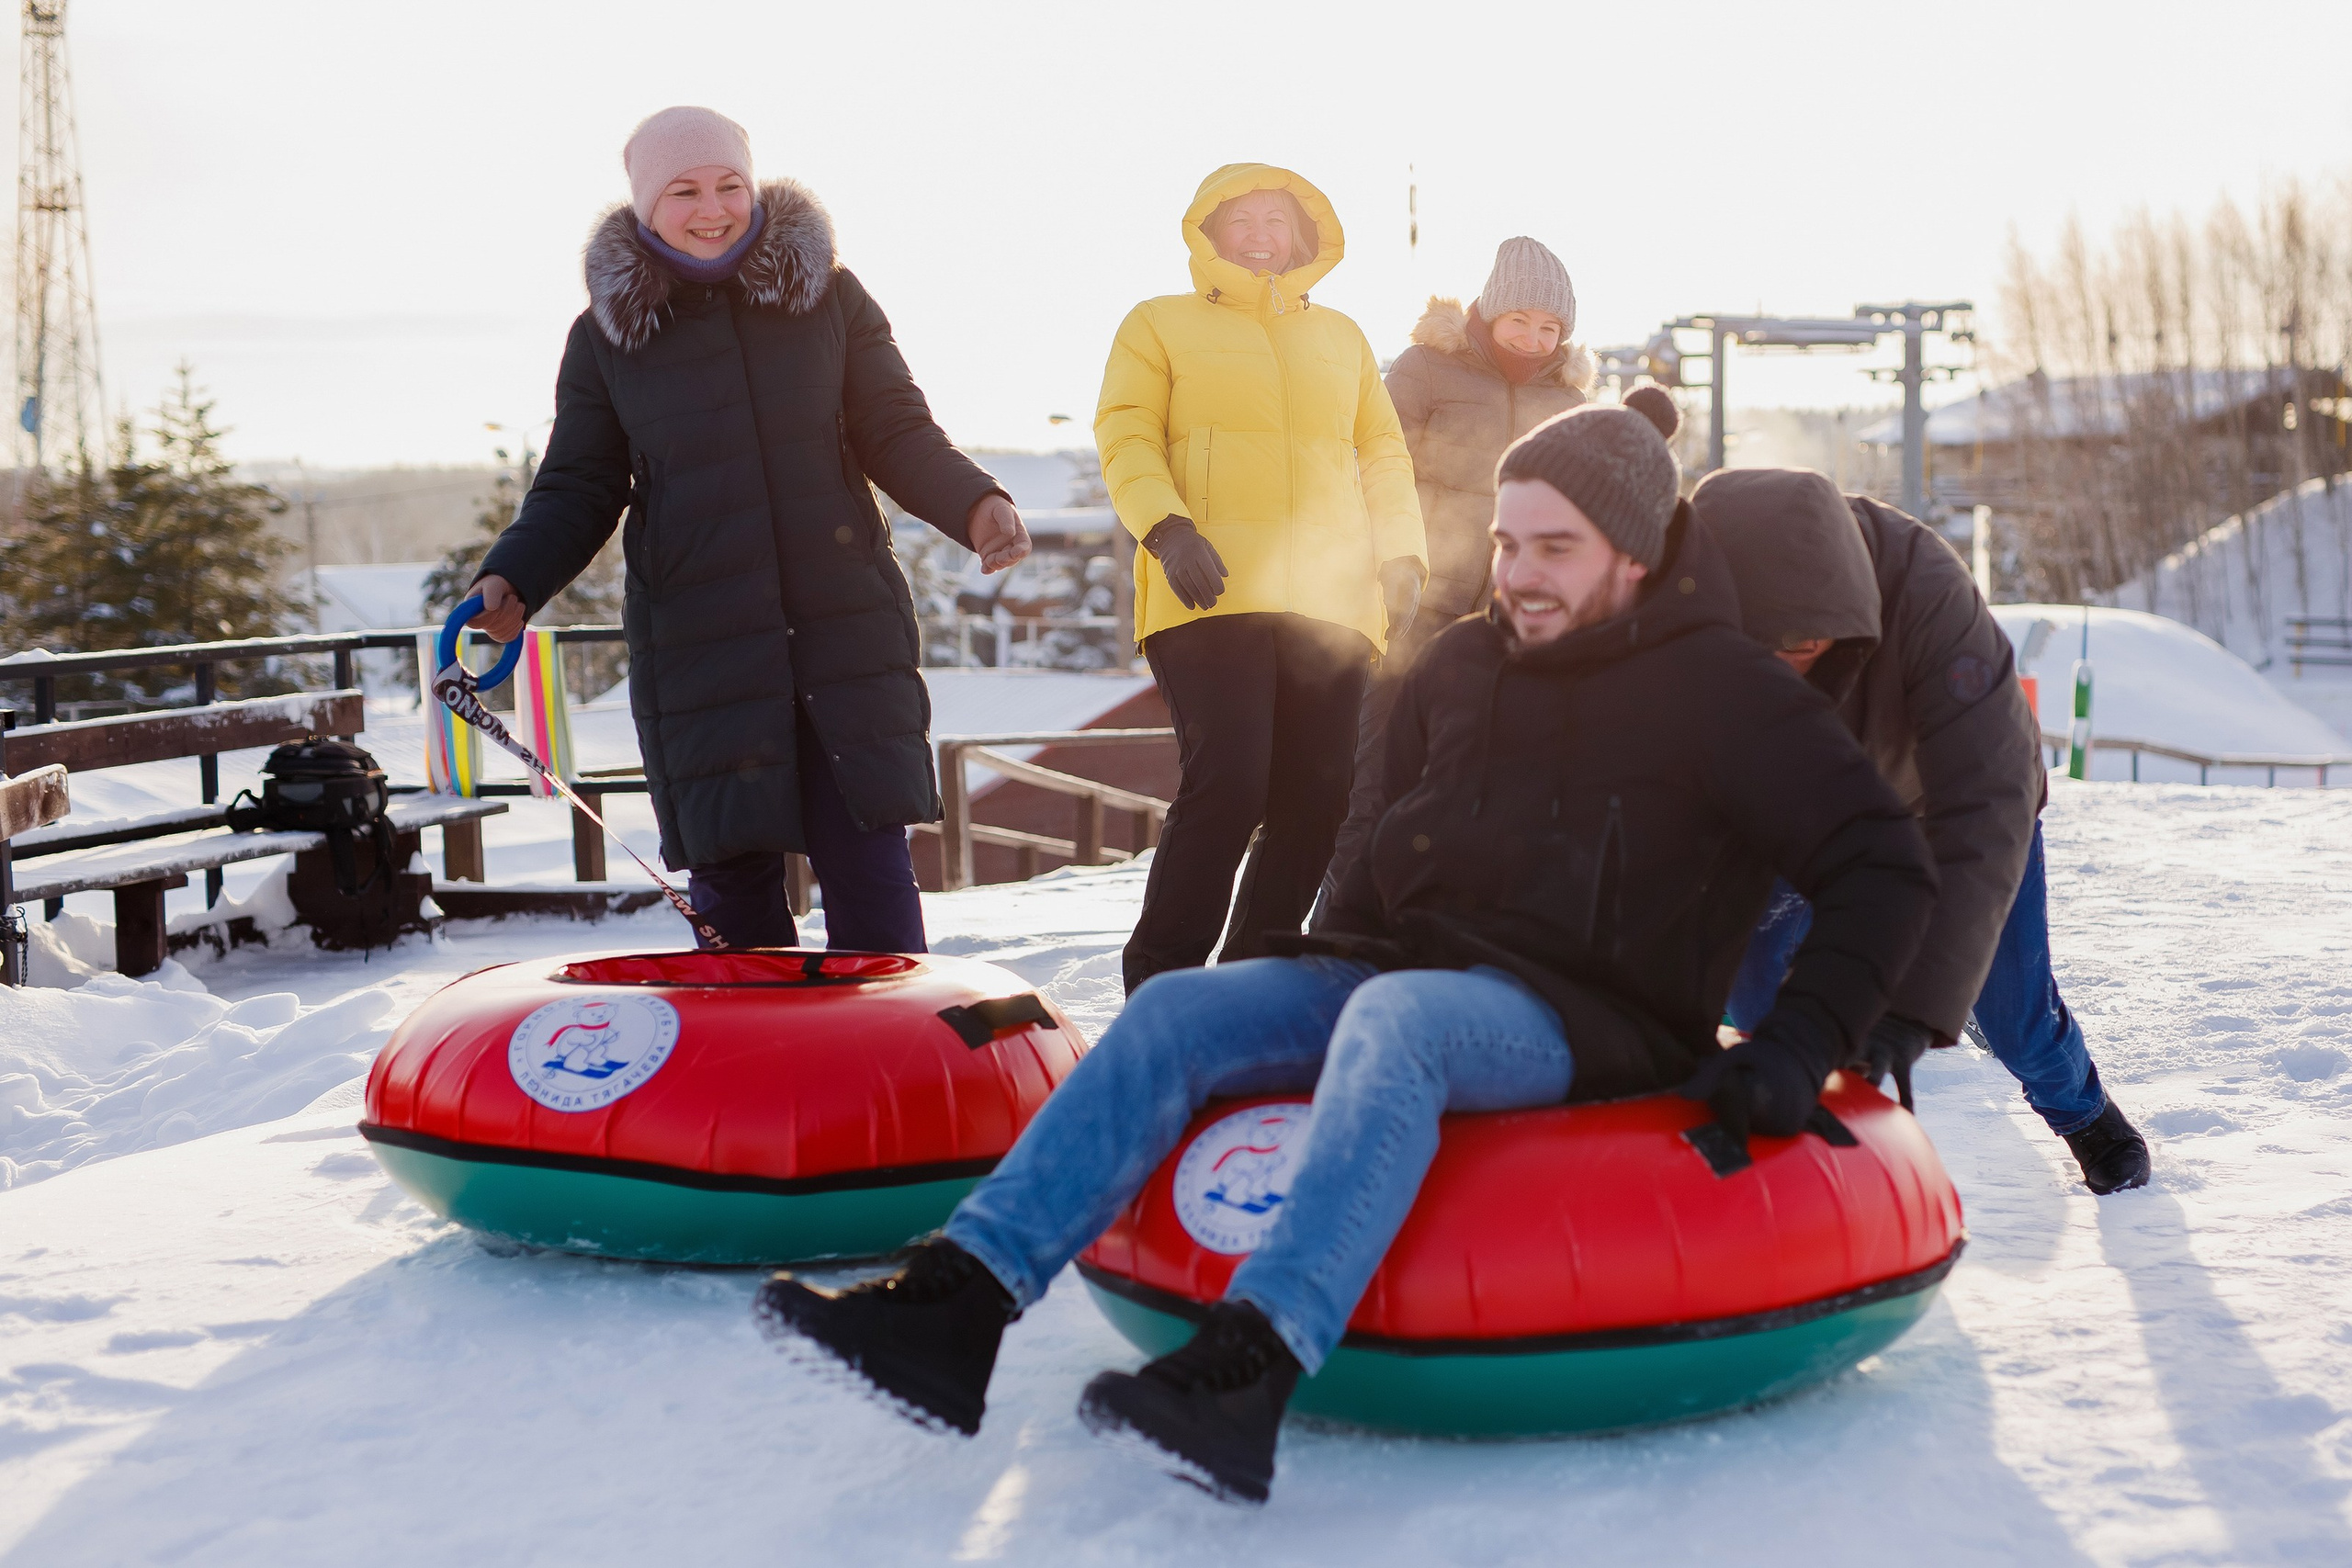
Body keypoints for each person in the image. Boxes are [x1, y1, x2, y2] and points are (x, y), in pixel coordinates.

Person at [752, 392, 1939, 1506]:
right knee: (1181, 1010)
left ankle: (1249, 1371)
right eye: (1511, 541)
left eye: (1557, 548)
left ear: (1636, 552)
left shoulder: (1722, 689)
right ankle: (953, 1308)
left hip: (1591, 1012)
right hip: (1407, 959)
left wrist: (1799, 1040)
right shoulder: (1468, 660)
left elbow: (1884, 864)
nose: (1520, 574)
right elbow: (1380, 828)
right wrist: (1319, 953)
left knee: (1401, 1026)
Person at [466, 107, 1027, 953]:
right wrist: (513, 575)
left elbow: (895, 427)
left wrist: (975, 503)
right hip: (703, 647)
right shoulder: (608, 337)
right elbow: (579, 484)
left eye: (729, 184)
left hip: (841, 631)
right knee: (733, 888)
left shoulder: (829, 295)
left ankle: (887, 1073)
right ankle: (750, 1079)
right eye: (684, 191)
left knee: (870, 863)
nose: (712, 208)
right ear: (647, 205)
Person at [1692, 468, 2151, 1193]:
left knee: (2016, 1020)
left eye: (1803, 642)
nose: (1780, 663)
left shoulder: (1926, 591)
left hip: (1944, 810)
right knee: (1757, 1002)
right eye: (1755, 644)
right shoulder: (1672, 608)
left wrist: (1916, 1005)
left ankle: (2083, 1112)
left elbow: (1987, 801)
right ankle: (1801, 1162)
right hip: (1792, 815)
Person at [1092, 164, 1426, 995]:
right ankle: (1162, 981)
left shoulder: (1342, 337)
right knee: (1233, 779)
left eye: (1276, 217)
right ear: (1208, 232)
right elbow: (1126, 432)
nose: (1259, 232)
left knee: (1319, 795)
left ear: (1301, 235)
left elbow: (1382, 452)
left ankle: (1249, 981)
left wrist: (1402, 554)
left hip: (1329, 598)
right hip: (1209, 586)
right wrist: (1166, 529)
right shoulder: (1157, 325)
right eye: (1239, 217)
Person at [1321, 237, 1595, 902]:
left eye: (1549, 328)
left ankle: (1451, 926)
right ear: (1489, 313)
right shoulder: (1425, 369)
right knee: (1381, 775)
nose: (1533, 340)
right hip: (1414, 605)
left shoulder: (1566, 400)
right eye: (1520, 322)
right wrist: (1386, 562)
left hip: (1509, 620)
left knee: (1489, 779)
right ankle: (1337, 925)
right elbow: (1375, 464)